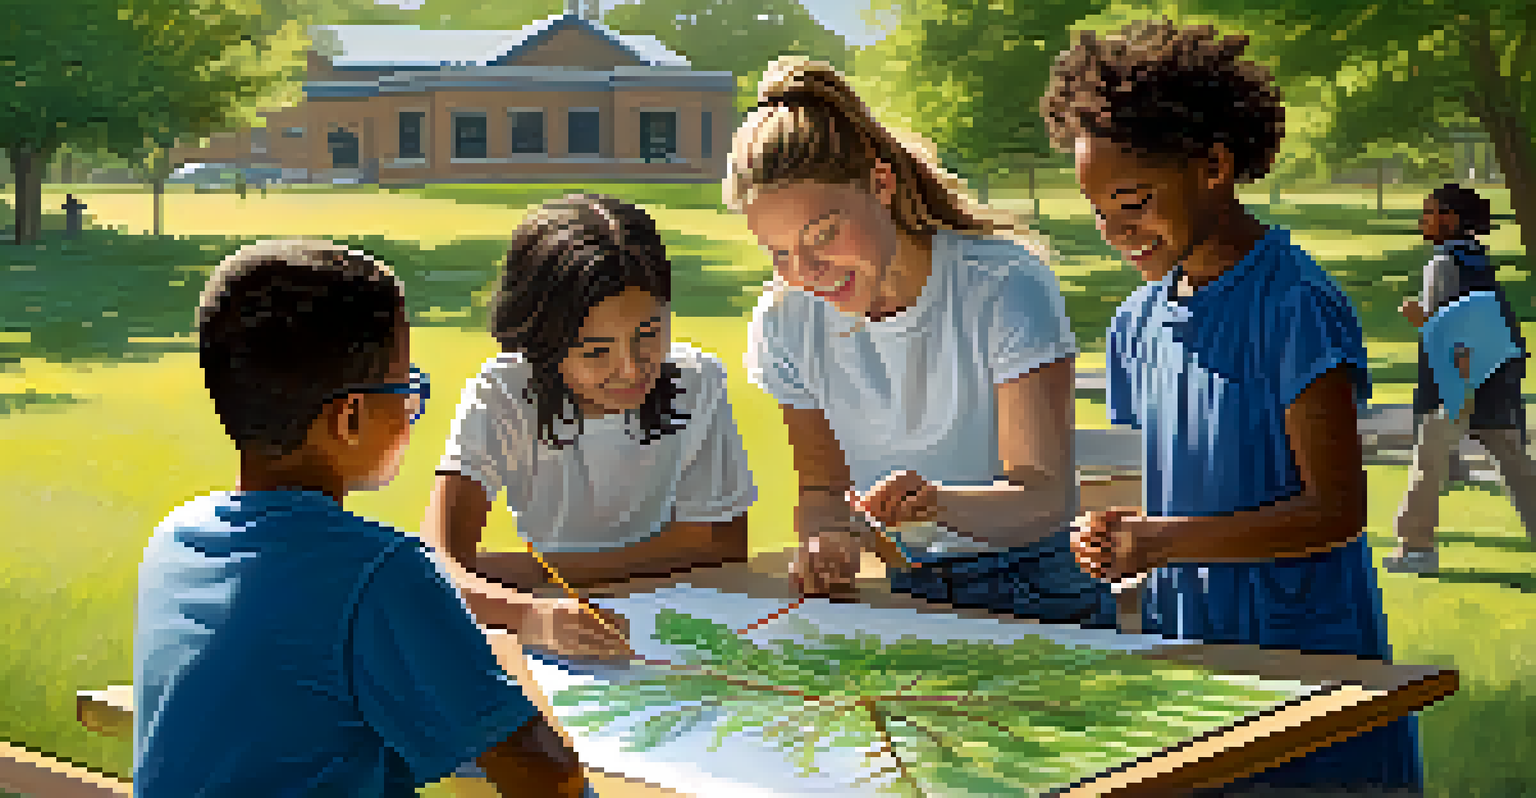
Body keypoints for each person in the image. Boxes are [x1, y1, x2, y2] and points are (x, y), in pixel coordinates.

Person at [1050, 20, 1423, 794]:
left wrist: (1164, 541)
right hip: (1189, 645)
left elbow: (1335, 511)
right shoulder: (1137, 323)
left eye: (1133, 202)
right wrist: (1112, 531)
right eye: (1098, 213)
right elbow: (1169, 482)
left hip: (1303, 657)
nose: (1117, 234)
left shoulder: (1295, 305)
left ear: (1214, 167)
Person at [135, 240, 594, 797]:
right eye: (405, 388)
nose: (411, 407)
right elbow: (549, 776)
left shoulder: (175, 539)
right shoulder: (379, 573)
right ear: (350, 417)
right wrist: (503, 657)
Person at [732, 56, 1116, 627]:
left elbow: (1044, 499)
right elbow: (820, 490)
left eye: (824, 233)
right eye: (779, 252)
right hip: (909, 590)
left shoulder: (1005, 285)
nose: (806, 270)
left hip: (1039, 585)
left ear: (881, 183)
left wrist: (938, 504)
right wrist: (828, 541)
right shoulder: (784, 321)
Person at [422, 194, 757, 661]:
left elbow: (723, 543)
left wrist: (537, 570)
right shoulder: (505, 392)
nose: (631, 369)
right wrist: (530, 616)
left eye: (649, 335)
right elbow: (435, 566)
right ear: (542, 341)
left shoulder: (695, 382)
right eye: (596, 351)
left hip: (675, 619)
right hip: (558, 637)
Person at [1386, 184, 1535, 573]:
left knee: (1428, 462)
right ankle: (1416, 548)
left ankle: (1417, 549)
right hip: (1495, 375)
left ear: (1451, 218)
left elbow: (1450, 330)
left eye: (1430, 212)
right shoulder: (1476, 259)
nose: (1423, 219)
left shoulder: (1444, 262)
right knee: (1516, 465)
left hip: (1458, 379)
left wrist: (1421, 320)